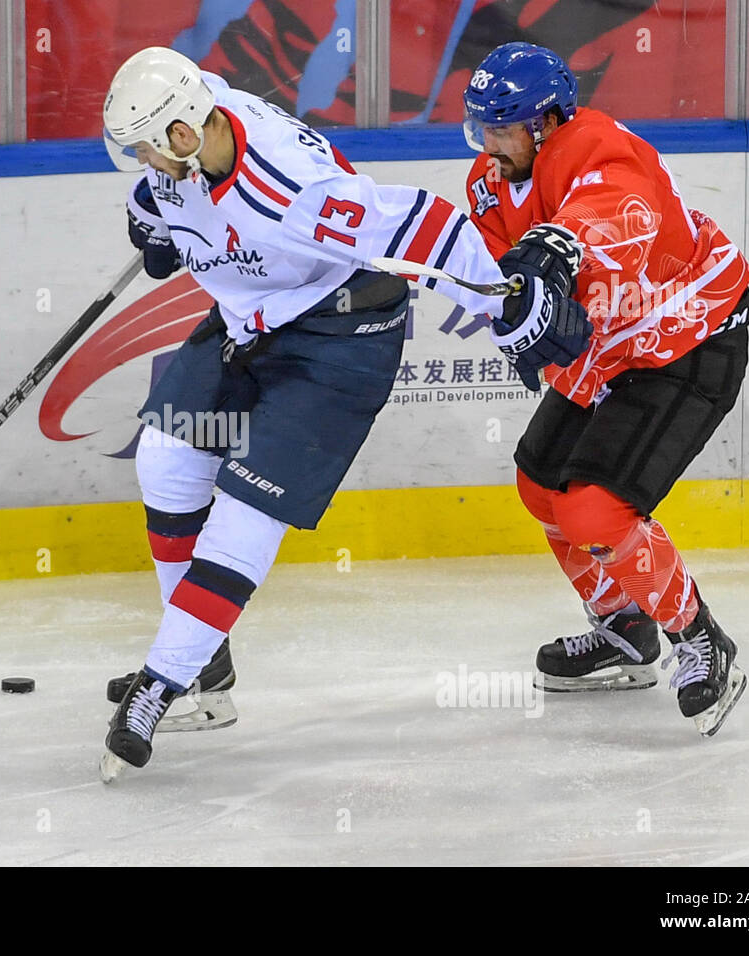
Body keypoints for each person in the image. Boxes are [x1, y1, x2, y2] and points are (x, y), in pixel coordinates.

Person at [97, 46, 591, 781]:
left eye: (147, 153)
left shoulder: (294, 192)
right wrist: (152, 214)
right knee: (167, 459)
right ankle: (204, 664)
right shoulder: (195, 121)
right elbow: (172, 189)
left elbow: (421, 224)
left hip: (337, 341)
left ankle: (164, 678)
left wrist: (508, 304)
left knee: (246, 510)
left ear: (180, 134)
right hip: (250, 321)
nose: (145, 165)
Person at [460, 42, 749, 735]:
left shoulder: (596, 144)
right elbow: (500, 270)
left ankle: (700, 638)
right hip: (612, 346)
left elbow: (624, 215)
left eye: (501, 129)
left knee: (595, 511)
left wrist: (560, 245)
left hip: (691, 337)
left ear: (546, 121)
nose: (488, 146)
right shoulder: (492, 179)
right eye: (481, 129)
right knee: (540, 486)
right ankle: (625, 627)